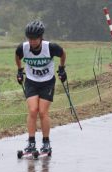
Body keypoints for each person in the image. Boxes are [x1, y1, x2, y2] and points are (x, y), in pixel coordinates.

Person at [15, 20, 67, 153]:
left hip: (47, 82)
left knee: (43, 112)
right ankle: (31, 143)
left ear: (41, 37)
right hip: (31, 81)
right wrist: (20, 71)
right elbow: (17, 56)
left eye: (35, 39)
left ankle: (46, 143)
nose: (32, 41)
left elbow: (62, 53)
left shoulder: (50, 47)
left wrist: (61, 69)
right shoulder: (23, 48)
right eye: (30, 39)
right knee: (33, 110)